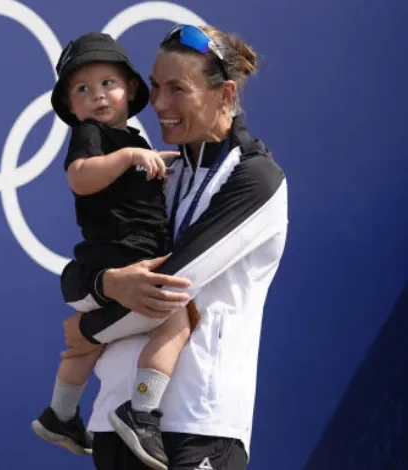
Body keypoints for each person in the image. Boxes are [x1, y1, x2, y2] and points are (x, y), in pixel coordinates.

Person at [61, 24, 288, 470]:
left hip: (198, 424)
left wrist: (86, 330)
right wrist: (106, 283)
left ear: (224, 94)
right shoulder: (159, 171)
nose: (160, 105)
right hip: (114, 420)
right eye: (156, 87)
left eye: (177, 90)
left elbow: (167, 287)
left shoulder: (255, 179)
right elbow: (85, 268)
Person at [31, 32, 199, 469]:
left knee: (83, 347)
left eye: (108, 83)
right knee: (178, 321)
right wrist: (126, 158)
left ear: (130, 89)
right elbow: (80, 178)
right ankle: (141, 411)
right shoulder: (93, 136)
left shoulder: (138, 142)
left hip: (121, 264)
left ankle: (60, 415)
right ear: (71, 107)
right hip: (111, 264)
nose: (98, 96)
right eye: (83, 90)